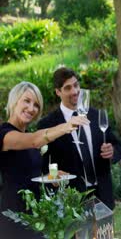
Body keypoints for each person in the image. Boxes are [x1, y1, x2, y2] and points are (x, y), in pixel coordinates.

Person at [0, 81, 89, 238]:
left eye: (36, 105)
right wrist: (66, 126)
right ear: (14, 101)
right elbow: (34, 140)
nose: (31, 108)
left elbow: (29, 174)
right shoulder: (4, 134)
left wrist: (51, 178)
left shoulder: (29, 135)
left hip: (37, 217)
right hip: (14, 216)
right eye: (26, 101)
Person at [38, 67, 121, 210]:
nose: (75, 91)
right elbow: (44, 163)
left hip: (103, 195)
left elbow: (118, 145)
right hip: (71, 200)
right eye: (68, 88)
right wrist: (52, 176)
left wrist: (112, 151)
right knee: (78, 234)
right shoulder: (47, 124)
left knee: (105, 233)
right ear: (58, 92)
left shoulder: (96, 115)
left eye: (76, 85)